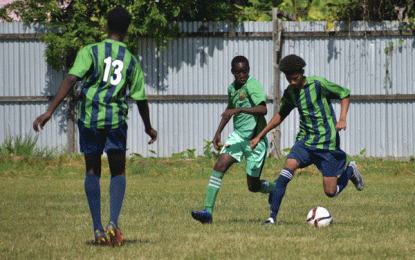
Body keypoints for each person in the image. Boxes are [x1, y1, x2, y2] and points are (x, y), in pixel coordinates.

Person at [33, 7, 157, 245]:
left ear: (106, 26)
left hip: (89, 120)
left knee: (92, 171)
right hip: (115, 122)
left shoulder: (90, 51)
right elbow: (141, 98)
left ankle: (98, 230)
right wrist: (148, 127)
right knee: (118, 172)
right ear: (128, 30)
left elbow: (70, 78)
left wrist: (49, 111)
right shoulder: (131, 60)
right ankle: (113, 222)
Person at [250, 54, 364, 225]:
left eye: (294, 75)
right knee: (286, 171)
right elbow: (281, 115)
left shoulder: (318, 84)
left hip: (327, 143)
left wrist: (342, 118)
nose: (290, 79)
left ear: (302, 72)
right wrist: (260, 135)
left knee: (330, 192)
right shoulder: (290, 93)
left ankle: (350, 172)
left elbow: (344, 94)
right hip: (305, 142)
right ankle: (272, 217)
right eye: (287, 76)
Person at [191, 56, 275, 224]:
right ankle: (207, 212)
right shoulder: (232, 88)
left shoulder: (253, 85)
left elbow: (263, 109)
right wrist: (218, 132)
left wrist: (240, 110)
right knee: (219, 166)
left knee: (253, 186)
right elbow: (229, 110)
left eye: (244, 71)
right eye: (238, 72)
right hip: (237, 137)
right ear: (232, 72)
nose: (241, 74)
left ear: (248, 69)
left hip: (255, 140)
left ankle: (274, 189)